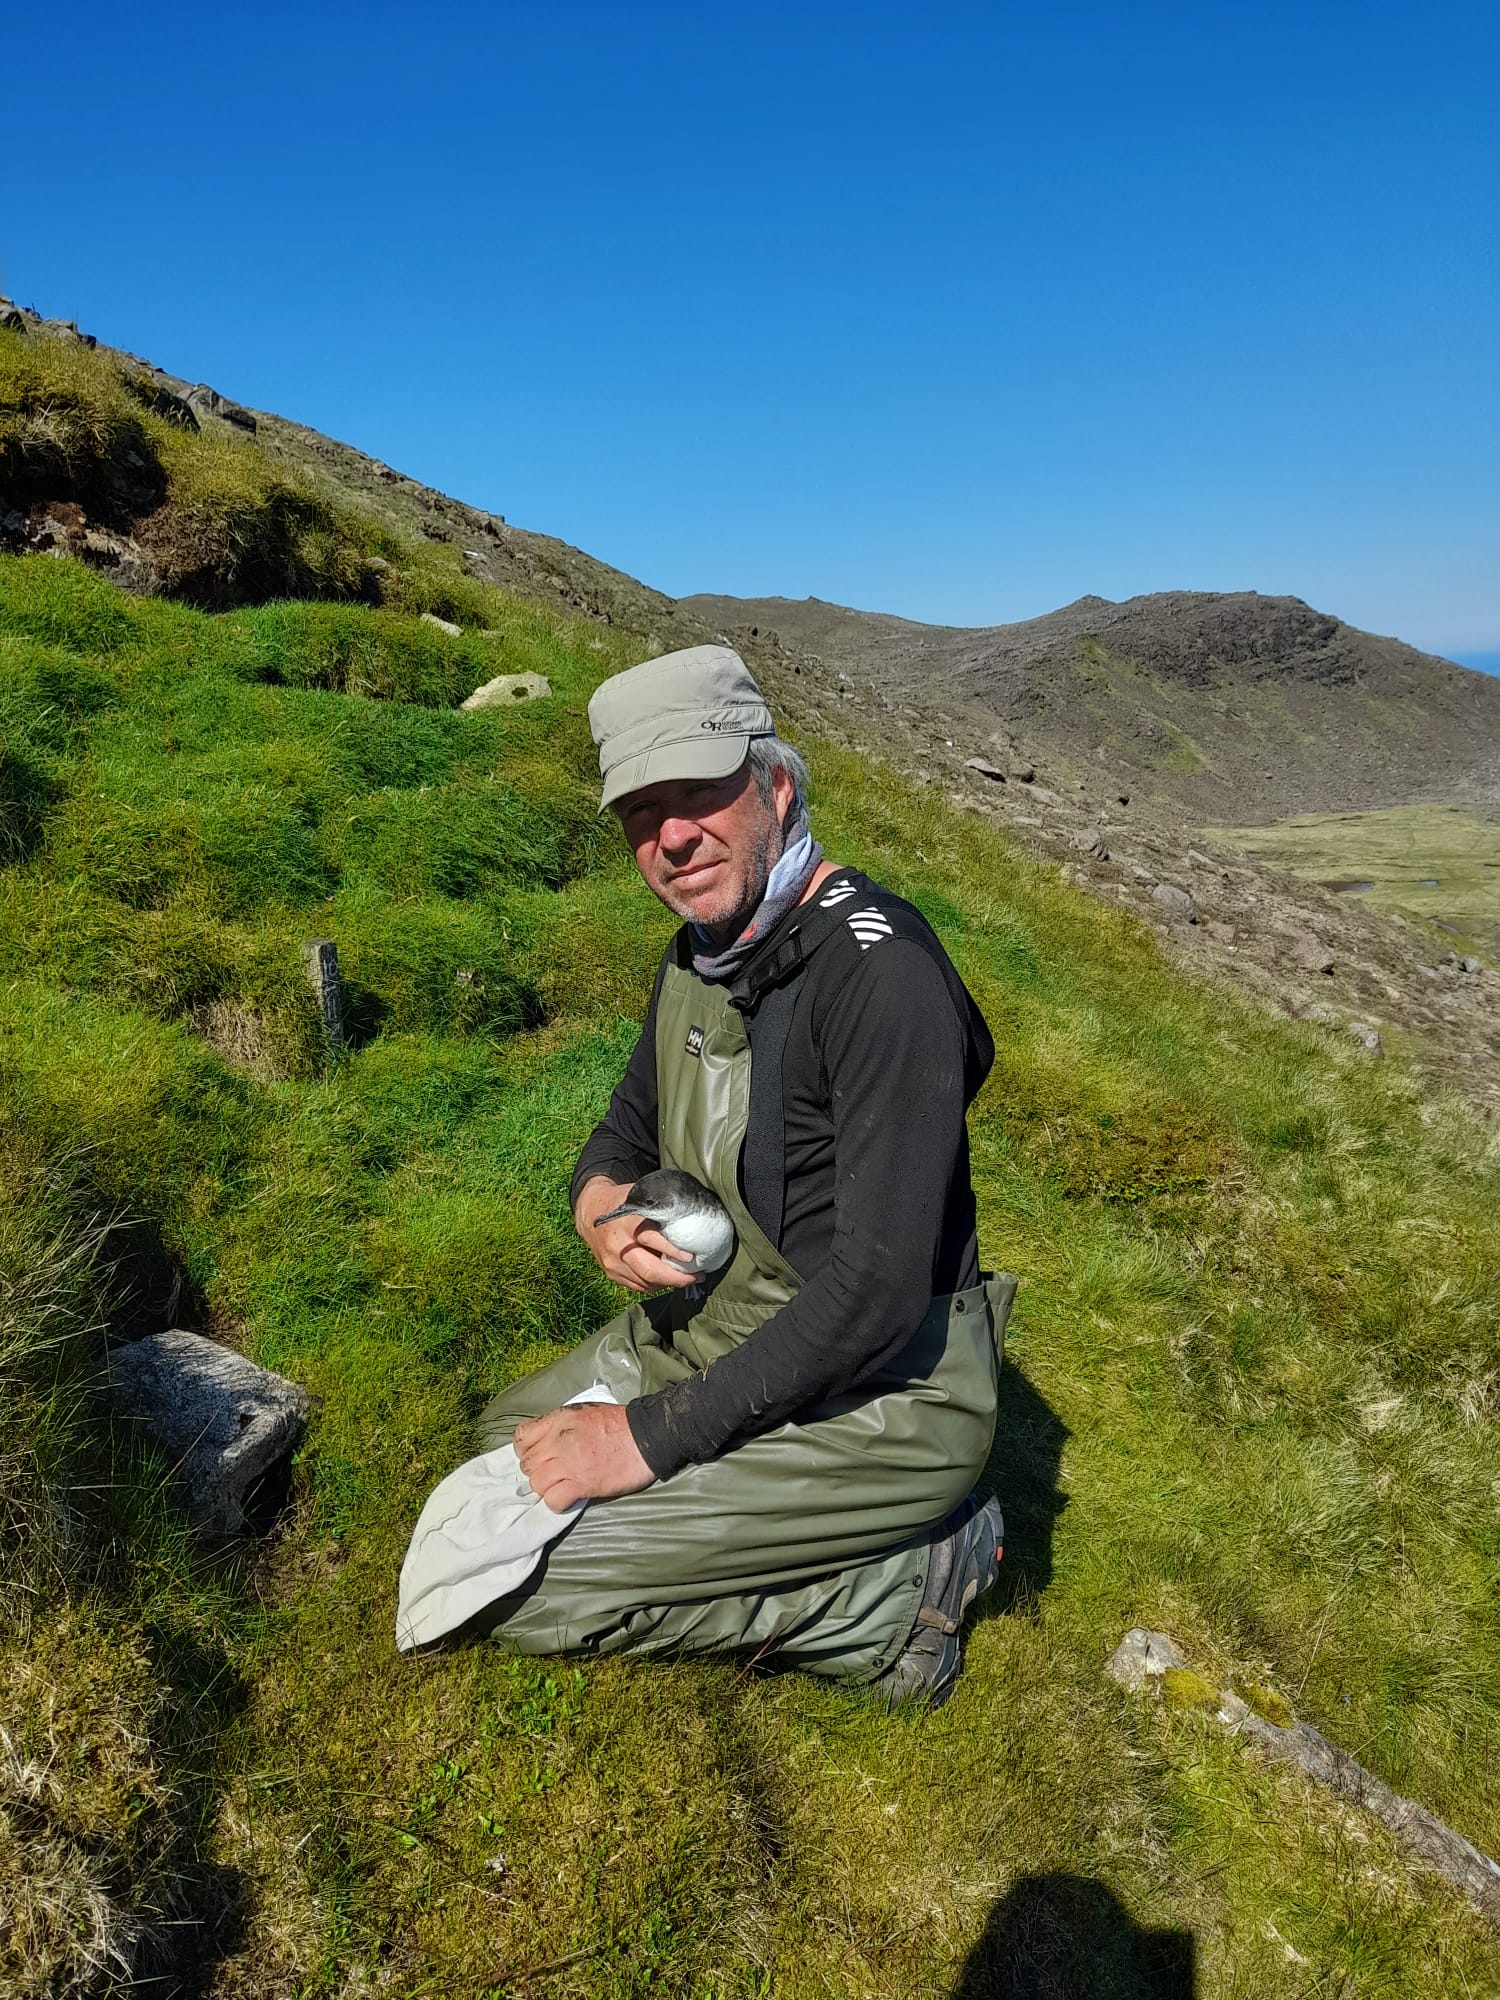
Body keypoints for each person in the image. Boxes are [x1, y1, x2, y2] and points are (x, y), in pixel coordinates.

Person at [476, 644, 1011, 1703]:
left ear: (776, 786)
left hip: (886, 1393)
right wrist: (599, 1209)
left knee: (524, 1585)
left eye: (697, 793)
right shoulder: (701, 952)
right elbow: (623, 1129)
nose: (671, 837)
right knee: (500, 1454)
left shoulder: (881, 977)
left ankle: (908, 1589)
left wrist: (647, 1439)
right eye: (641, 813)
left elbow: (878, 1290)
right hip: (725, 1332)